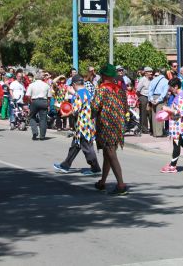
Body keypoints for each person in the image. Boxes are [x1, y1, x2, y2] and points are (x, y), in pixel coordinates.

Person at [91, 64, 129, 196]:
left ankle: (121, 185)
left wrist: (91, 117)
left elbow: (95, 107)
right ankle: (102, 182)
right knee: (108, 153)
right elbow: (125, 108)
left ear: (104, 76)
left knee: (111, 153)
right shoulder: (120, 90)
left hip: (106, 125)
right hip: (119, 125)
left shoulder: (102, 90)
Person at [53, 74, 101, 175]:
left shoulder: (78, 94)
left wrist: (65, 113)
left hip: (82, 125)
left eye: (72, 85)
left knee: (87, 148)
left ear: (75, 84)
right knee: (75, 145)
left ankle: (95, 168)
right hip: (89, 123)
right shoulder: (88, 92)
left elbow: (75, 109)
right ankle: (65, 165)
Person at [160, 78, 183, 173]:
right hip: (181, 126)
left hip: (179, 126)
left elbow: (180, 112)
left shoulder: (181, 97)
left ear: (176, 86)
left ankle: (173, 166)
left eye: (171, 87)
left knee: (177, 144)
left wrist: (167, 109)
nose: (170, 89)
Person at [26, 71, 51, 141]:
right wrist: (48, 104)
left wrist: (31, 102)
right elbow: (49, 97)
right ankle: (42, 136)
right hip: (44, 101)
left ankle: (35, 132)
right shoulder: (46, 85)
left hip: (34, 101)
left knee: (31, 117)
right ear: (42, 78)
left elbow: (28, 95)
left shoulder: (31, 85)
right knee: (43, 119)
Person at [148, 70, 170, 137]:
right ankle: (159, 133)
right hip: (161, 99)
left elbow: (150, 91)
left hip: (154, 97)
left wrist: (151, 99)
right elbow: (164, 93)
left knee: (154, 116)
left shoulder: (153, 80)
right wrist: (158, 100)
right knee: (160, 116)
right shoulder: (166, 81)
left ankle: (155, 133)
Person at [136, 67, 154, 134]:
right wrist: (140, 98)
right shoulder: (142, 80)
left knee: (150, 113)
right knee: (143, 113)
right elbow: (138, 90)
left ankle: (152, 128)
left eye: (151, 72)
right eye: (149, 72)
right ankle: (144, 129)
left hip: (150, 97)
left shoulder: (152, 79)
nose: (151, 73)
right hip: (143, 96)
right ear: (145, 73)